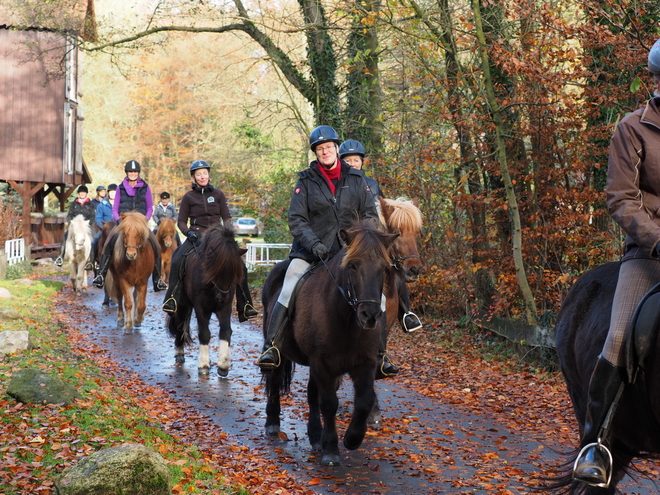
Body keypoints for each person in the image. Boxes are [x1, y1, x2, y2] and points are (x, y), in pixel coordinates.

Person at [571, 40, 660, 488]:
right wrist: (655, 239)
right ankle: (598, 442)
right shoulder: (632, 129)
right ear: (657, 80)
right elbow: (621, 197)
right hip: (649, 253)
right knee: (621, 335)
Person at [257, 125, 388, 374]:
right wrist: (314, 244)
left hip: (350, 253)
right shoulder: (305, 181)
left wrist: (360, 244)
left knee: (377, 295)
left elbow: (370, 215)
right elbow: (297, 219)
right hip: (311, 252)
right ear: (315, 153)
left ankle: (380, 355)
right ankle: (272, 345)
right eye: (320, 149)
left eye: (328, 147)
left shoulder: (357, 179)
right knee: (289, 283)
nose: (325, 151)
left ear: (337, 149)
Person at [339, 139, 423, 333]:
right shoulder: (338, 185)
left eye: (356, 160)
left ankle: (406, 314)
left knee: (395, 274)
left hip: (371, 239)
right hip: (349, 240)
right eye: (348, 160)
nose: (352, 164)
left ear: (362, 162)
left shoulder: (372, 185)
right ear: (341, 161)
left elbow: (381, 211)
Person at [161, 160, 258, 322]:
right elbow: (181, 222)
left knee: (240, 265)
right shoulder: (188, 197)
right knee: (178, 259)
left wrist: (227, 232)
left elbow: (226, 216)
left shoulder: (218, 194)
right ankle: (172, 299)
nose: (202, 176)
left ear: (209, 175)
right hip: (196, 236)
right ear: (193, 177)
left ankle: (246, 305)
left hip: (218, 238)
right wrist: (188, 232)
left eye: (204, 173)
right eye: (198, 174)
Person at [92, 160, 168, 292]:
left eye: (135, 172)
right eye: (130, 172)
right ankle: (101, 275)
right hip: (124, 223)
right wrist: (119, 220)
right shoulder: (120, 188)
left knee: (155, 244)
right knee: (108, 242)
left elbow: (150, 207)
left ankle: (157, 280)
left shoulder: (146, 187)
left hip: (140, 224)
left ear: (138, 173)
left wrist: (146, 219)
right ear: (127, 173)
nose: (133, 174)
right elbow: (115, 208)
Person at [54, 185, 96, 266]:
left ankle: (92, 260)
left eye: (83, 192)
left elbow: (93, 216)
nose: (82, 194)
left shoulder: (91, 204)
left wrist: (88, 223)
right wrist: (71, 223)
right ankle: (60, 257)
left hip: (86, 225)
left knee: (94, 237)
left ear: (86, 193)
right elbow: (69, 215)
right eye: (81, 192)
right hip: (76, 225)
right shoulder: (74, 203)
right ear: (78, 194)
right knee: (65, 236)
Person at [86, 183, 117, 271]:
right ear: (108, 193)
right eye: (111, 192)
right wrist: (103, 227)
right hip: (105, 229)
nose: (112, 194)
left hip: (117, 229)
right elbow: (98, 218)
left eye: (114, 192)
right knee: (94, 242)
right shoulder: (102, 204)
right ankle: (91, 262)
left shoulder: (120, 204)